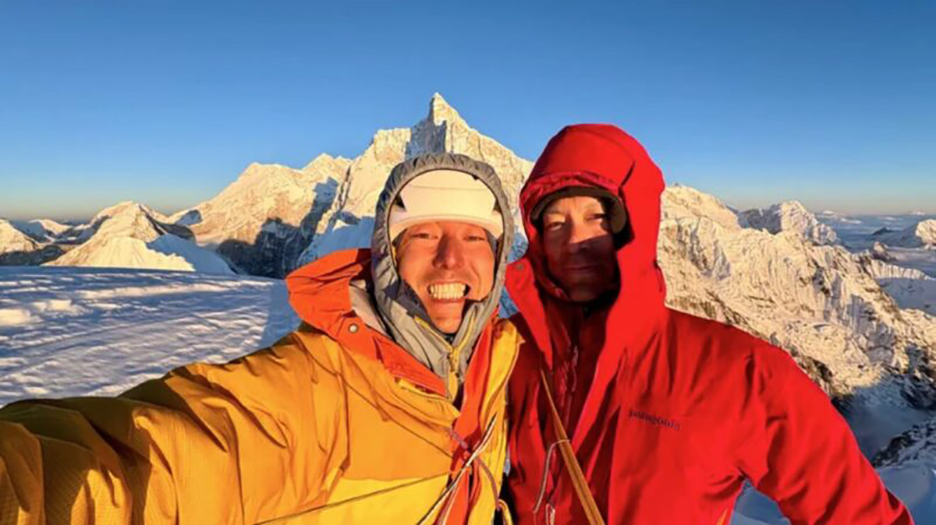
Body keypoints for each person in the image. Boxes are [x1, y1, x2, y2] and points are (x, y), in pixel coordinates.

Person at [0, 153, 519, 525]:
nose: (452, 258)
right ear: (385, 256)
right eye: (425, 235)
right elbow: (156, 460)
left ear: (497, 262)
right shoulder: (312, 387)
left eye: (475, 236)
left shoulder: (502, 361)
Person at [503, 124, 913, 525]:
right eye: (556, 223)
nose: (576, 240)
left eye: (598, 217)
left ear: (634, 229)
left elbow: (852, 510)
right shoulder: (508, 351)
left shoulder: (741, 372)